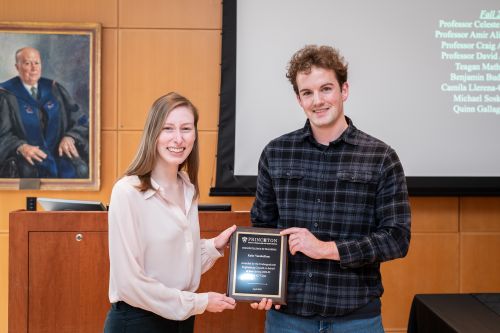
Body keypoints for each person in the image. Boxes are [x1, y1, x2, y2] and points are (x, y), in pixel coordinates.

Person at [250, 45, 411, 332]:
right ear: (299, 99)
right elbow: (262, 227)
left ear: (344, 90)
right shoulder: (276, 153)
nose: (318, 101)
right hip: (288, 318)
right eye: (307, 93)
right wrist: (262, 284)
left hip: (357, 319)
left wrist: (326, 249)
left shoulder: (381, 157)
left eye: (326, 89)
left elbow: (396, 238)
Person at [104, 92, 237, 333]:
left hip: (181, 321)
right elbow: (129, 284)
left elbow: (172, 267)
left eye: (186, 128)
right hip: (138, 322)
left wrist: (213, 247)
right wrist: (200, 302)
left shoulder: (187, 187)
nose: (178, 138)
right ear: (153, 134)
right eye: (168, 128)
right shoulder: (127, 192)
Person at [0, 46, 88, 178]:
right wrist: (20, 147)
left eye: (37, 63)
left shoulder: (55, 89)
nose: (34, 68)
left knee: (80, 170)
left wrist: (71, 136)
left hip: (58, 155)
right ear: (17, 67)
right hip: (26, 160)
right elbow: (2, 134)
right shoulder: (6, 95)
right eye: (27, 63)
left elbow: (81, 120)